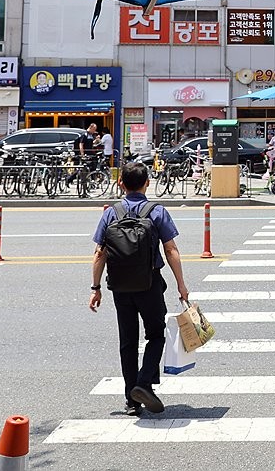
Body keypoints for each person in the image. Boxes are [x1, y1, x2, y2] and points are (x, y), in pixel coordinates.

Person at [88, 162, 190, 416]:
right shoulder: (156, 212)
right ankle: (144, 384)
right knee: (155, 335)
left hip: (120, 286)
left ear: (121, 183)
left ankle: (131, 400)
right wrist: (181, 285)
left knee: (128, 341)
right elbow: (171, 250)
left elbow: (99, 254)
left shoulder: (111, 213)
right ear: (147, 183)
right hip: (150, 284)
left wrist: (96, 287)